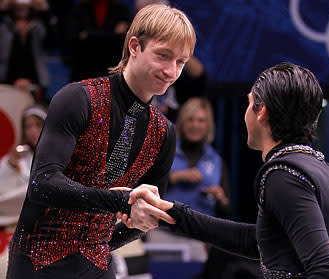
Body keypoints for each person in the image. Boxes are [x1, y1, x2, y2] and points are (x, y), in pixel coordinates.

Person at [6, 4, 196, 279]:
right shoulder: (78, 99)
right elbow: (42, 184)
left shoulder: (164, 132)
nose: (171, 71)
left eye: (181, 62)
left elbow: (148, 214)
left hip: (95, 265)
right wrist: (119, 201)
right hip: (37, 263)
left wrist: (100, 244)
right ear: (134, 46)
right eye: (163, 56)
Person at [128, 62, 329, 279]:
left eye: (249, 103)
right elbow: (256, 241)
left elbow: (325, 270)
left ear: (262, 112)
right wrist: (172, 212)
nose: (245, 112)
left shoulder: (284, 174)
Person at [146, 97, 230, 261]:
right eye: (190, 119)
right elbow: (144, 190)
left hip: (200, 238)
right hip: (164, 235)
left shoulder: (216, 160)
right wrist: (174, 178)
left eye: (201, 120)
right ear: (182, 122)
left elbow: (226, 210)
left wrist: (220, 198)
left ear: (208, 125)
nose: (195, 125)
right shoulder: (165, 153)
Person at [0, 104, 47, 278]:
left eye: (38, 124)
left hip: (49, 232)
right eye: (28, 126)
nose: (33, 131)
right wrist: (10, 165)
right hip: (16, 231)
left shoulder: (64, 153)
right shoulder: (18, 159)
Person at [0, 0, 57, 104]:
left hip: (36, 83)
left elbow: (53, 43)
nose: (21, 6)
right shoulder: (3, 25)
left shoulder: (40, 25)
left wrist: (46, 12)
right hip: (6, 83)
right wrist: (2, 9)